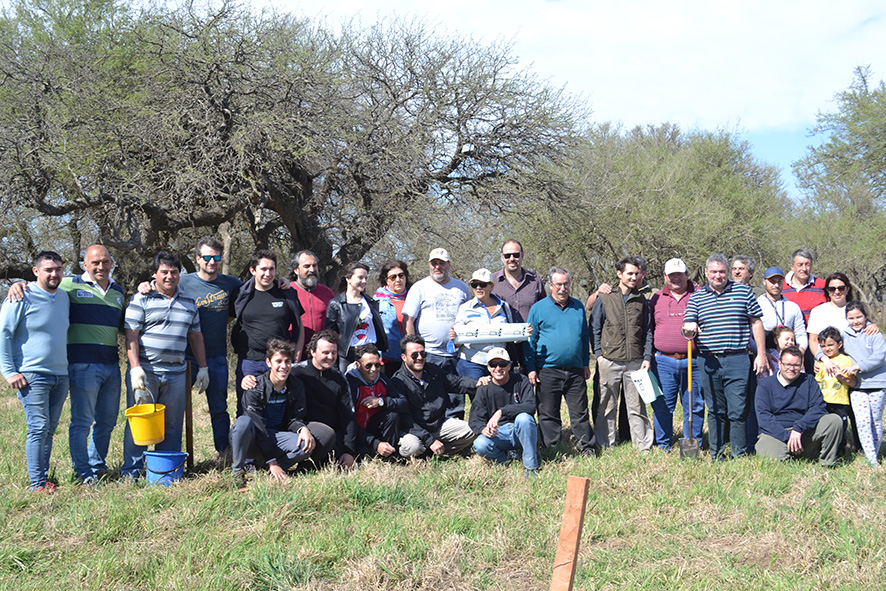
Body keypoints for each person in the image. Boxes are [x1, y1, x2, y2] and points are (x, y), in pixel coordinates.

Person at [6, 244, 125, 484]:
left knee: (107, 421)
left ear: (112, 263)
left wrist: (149, 285)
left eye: (105, 262)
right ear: (84, 265)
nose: (101, 266)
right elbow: (41, 288)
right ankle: (82, 472)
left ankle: (97, 465)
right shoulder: (68, 286)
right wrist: (17, 284)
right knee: (80, 422)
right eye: (95, 263)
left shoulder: (118, 291)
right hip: (81, 366)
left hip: (111, 365)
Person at [121, 251, 210, 479]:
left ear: (180, 274)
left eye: (174, 272)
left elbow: (196, 336)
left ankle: (164, 472)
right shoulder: (141, 298)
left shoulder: (190, 301)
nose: (169, 276)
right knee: (141, 425)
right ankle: (132, 472)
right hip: (146, 372)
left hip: (176, 373)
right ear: (155, 274)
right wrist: (135, 368)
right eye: (164, 272)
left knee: (171, 425)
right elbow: (131, 335)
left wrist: (203, 367)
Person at [682, 253, 767, 460]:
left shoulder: (743, 292)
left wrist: (761, 354)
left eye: (721, 271)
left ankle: (738, 453)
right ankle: (716, 453)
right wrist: (689, 327)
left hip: (738, 359)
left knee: (737, 410)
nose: (718, 276)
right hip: (708, 360)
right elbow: (686, 326)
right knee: (715, 410)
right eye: (713, 272)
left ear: (727, 272)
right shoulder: (697, 296)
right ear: (706, 273)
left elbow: (756, 323)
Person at [0, 251, 70, 492]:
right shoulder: (21, 296)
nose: (54, 274)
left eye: (58, 269)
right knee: (38, 426)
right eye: (48, 269)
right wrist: (9, 371)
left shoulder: (63, 296)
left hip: (61, 374)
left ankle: (43, 477)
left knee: (49, 428)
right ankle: (37, 484)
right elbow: (4, 334)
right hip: (32, 374)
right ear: (36, 271)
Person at [231, 338, 334, 484]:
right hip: (254, 438)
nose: (283, 366)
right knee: (243, 422)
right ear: (268, 363)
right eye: (278, 361)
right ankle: (237, 471)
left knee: (306, 445)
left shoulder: (296, 386)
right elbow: (258, 425)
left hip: (277, 436)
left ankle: (275, 469)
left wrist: (301, 428)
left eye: (287, 361)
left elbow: (295, 417)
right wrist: (271, 460)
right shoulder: (255, 386)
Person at [177, 236, 243, 456]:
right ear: (197, 259)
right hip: (185, 357)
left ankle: (224, 453)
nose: (211, 261)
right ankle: (174, 453)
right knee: (176, 409)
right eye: (206, 257)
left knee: (219, 407)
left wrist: (282, 282)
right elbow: (159, 285)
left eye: (216, 257)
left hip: (216, 356)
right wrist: (145, 284)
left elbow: (248, 297)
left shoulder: (231, 283)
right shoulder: (183, 282)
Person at [524, 267, 597, 454]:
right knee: (548, 414)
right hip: (547, 370)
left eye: (566, 284)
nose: (563, 288)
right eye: (558, 285)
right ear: (550, 285)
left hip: (575, 370)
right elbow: (530, 340)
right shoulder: (538, 308)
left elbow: (583, 336)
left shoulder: (578, 306)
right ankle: (552, 449)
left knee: (580, 413)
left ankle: (587, 448)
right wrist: (531, 368)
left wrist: (585, 363)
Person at [590, 256, 653, 451]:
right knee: (606, 406)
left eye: (636, 274)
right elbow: (594, 327)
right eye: (629, 274)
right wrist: (599, 355)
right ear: (619, 274)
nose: (634, 277)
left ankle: (643, 447)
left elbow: (648, 331)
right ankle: (606, 445)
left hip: (635, 361)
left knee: (637, 407)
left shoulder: (641, 300)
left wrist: (647, 357)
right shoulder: (605, 297)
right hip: (609, 360)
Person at [232, 249, 305, 414]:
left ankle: (278, 439)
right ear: (253, 270)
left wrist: (297, 355)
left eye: (271, 269)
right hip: (250, 361)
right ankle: (245, 439)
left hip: (280, 361)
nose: (268, 273)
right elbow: (230, 318)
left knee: (279, 409)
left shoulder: (287, 293)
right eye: (263, 269)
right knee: (246, 408)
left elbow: (299, 326)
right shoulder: (241, 293)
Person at [648, 258, 704, 451]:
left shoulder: (700, 294)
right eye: (672, 275)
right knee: (663, 405)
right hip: (664, 361)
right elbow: (650, 328)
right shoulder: (656, 298)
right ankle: (663, 444)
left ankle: (692, 446)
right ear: (665, 277)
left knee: (694, 405)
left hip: (694, 361)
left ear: (687, 274)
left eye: (680, 274)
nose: (676, 279)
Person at [755, 345, 844, 466]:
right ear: (780, 364)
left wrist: (799, 428)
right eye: (787, 364)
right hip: (775, 433)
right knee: (775, 460)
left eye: (796, 365)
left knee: (834, 420)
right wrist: (788, 437)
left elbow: (818, 408)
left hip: (804, 431)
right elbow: (764, 417)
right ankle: (789, 454)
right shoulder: (765, 385)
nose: (791, 369)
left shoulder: (809, 380)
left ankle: (826, 462)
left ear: (801, 365)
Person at [393, 335, 479, 458]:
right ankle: (429, 450)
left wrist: (477, 383)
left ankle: (434, 452)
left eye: (423, 353)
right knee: (413, 447)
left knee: (472, 430)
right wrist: (429, 440)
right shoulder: (397, 381)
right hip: (413, 430)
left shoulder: (434, 371)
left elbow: (456, 383)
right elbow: (405, 420)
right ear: (404, 357)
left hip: (438, 425)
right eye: (414, 355)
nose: (420, 358)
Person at [291, 330, 357, 469]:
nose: (331, 357)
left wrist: (348, 451)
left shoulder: (340, 379)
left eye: (333, 353)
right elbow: (271, 377)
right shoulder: (295, 372)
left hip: (331, 435)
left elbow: (348, 417)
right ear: (313, 352)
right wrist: (250, 379)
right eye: (325, 352)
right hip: (299, 429)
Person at [469, 347, 539, 477]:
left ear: (509, 365)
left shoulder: (521, 380)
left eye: (502, 364)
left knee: (524, 418)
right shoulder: (484, 389)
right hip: (498, 433)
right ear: (488, 368)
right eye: (493, 365)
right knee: (479, 444)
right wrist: (482, 429)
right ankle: (505, 459)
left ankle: (531, 467)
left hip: (519, 430)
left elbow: (530, 406)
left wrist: (502, 411)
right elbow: (474, 419)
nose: (498, 368)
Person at [402, 248, 470, 374]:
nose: (437, 267)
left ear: (449, 265)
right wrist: (414, 350)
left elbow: (469, 318)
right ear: (429, 265)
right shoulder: (419, 288)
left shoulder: (461, 287)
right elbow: (408, 320)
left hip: (456, 353)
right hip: (428, 354)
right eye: (434, 263)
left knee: (456, 392)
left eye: (442, 263)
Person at [449, 268, 518, 379]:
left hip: (498, 364)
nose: (478, 288)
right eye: (474, 284)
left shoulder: (504, 307)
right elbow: (456, 339)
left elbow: (512, 334)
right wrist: (454, 339)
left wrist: (524, 332)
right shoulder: (465, 308)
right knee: (477, 395)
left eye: (482, 284)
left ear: (492, 286)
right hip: (472, 363)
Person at [841, 301, 886, 466]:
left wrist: (858, 366)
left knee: (875, 421)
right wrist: (821, 358)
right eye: (851, 318)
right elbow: (827, 345)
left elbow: (879, 357)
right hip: (857, 386)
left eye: (859, 317)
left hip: (877, 384)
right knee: (862, 421)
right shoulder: (844, 336)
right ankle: (871, 458)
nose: (855, 321)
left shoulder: (874, 333)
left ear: (865, 316)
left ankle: (875, 449)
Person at [345, 343, 409, 459]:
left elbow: (403, 403)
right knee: (363, 455)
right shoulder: (350, 384)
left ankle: (390, 456)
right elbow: (348, 423)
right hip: (357, 434)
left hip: (374, 428)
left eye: (377, 365)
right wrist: (375, 443)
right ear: (358, 365)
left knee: (392, 415)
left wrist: (381, 401)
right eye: (368, 366)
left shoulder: (382, 379)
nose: (374, 370)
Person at [325, 262, 388, 373]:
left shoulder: (371, 302)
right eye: (360, 277)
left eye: (366, 278)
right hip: (348, 356)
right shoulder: (336, 304)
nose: (364, 281)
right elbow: (330, 335)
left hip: (370, 353)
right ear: (348, 278)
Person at [807, 273, 878, 364]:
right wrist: (822, 359)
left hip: (853, 361)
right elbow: (813, 341)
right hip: (827, 363)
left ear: (847, 289)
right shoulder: (818, 311)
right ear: (827, 291)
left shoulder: (855, 309)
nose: (837, 292)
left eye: (841, 288)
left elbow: (865, 326)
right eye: (832, 289)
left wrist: (872, 326)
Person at [289, 250, 335, 358]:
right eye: (307, 266)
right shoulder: (287, 291)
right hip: (293, 354)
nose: (312, 270)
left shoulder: (327, 293)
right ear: (296, 270)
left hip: (321, 356)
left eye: (314, 266)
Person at [814, 326, 855, 442]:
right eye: (823, 346)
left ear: (839, 344)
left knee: (841, 428)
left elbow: (852, 382)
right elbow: (818, 381)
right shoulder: (821, 362)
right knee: (825, 427)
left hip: (840, 402)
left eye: (830, 345)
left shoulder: (846, 360)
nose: (827, 349)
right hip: (824, 402)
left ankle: (841, 453)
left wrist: (840, 376)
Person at [490, 239, 546, 323]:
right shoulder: (492, 281)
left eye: (516, 255)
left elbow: (544, 311)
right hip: (502, 335)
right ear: (502, 257)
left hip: (530, 335)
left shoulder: (535, 281)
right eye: (507, 256)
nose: (512, 259)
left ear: (522, 255)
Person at [757, 267, 808, 352]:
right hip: (765, 354)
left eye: (779, 282)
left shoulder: (793, 307)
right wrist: (763, 353)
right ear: (764, 282)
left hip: (789, 355)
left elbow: (801, 334)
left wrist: (800, 352)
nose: (776, 285)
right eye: (772, 282)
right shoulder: (757, 305)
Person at [374, 260, 410, 377]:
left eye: (401, 275)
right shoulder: (377, 301)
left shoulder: (414, 299)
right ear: (387, 280)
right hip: (386, 359)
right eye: (393, 277)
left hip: (410, 358)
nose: (398, 280)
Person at [782, 249, 827, 326]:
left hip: (816, 335)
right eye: (800, 265)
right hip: (788, 335)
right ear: (792, 267)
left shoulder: (823, 286)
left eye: (807, 264)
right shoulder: (781, 286)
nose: (804, 269)